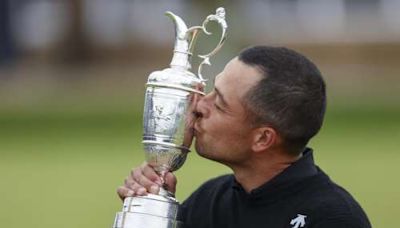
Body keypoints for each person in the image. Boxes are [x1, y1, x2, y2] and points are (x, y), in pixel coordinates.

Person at [117, 46, 371, 227]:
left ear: (262, 139)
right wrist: (152, 211)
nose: (199, 106)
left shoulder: (332, 219)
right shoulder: (210, 201)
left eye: (219, 103)